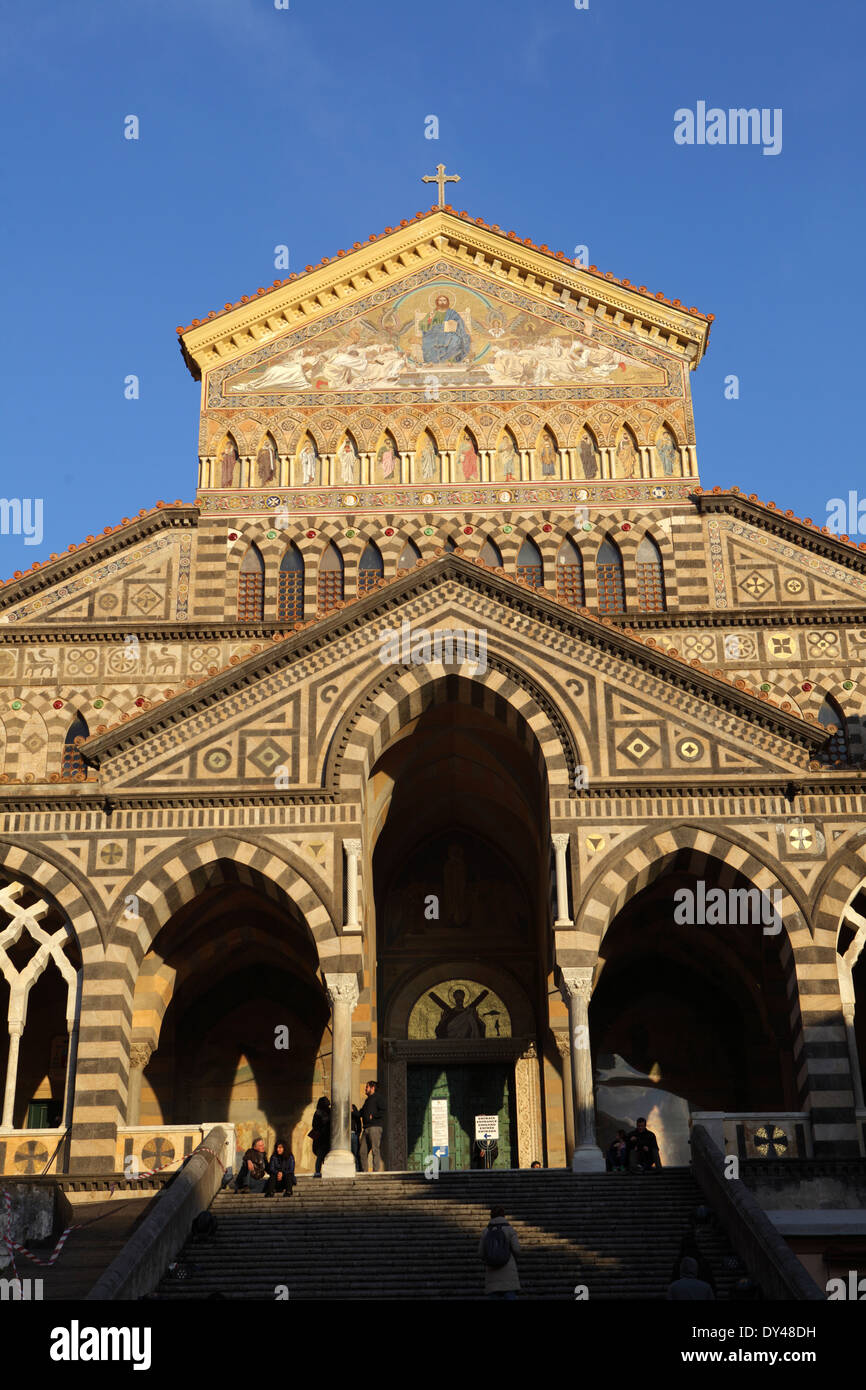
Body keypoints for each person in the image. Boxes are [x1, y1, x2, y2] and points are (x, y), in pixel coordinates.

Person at [479, 1205, 521, 1299]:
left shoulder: (486, 1231)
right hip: (508, 1270)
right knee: (509, 1295)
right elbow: (517, 1250)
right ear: (503, 1215)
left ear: (491, 1215)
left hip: (492, 1271)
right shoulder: (510, 1230)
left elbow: (481, 1253)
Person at [358, 1080, 386, 1172]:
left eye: (367, 1087)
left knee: (375, 1150)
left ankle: (376, 1171)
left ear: (372, 1088)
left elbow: (383, 1110)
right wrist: (353, 1111)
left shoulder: (378, 1098)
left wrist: (373, 1116)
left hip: (375, 1127)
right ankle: (365, 1172)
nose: (365, 1089)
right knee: (362, 1152)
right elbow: (361, 1113)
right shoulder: (367, 1100)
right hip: (366, 1128)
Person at [310, 1097, 331, 1176]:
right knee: (320, 1156)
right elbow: (315, 1125)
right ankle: (318, 1172)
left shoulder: (328, 1112)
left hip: (326, 1138)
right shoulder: (319, 1113)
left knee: (324, 1157)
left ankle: (323, 1172)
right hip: (321, 1139)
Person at [350, 1103, 362, 1171]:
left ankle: (357, 1169)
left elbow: (358, 1119)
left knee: (355, 1153)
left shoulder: (354, 1111)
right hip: (345, 1135)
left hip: (353, 1134)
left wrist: (358, 1133)